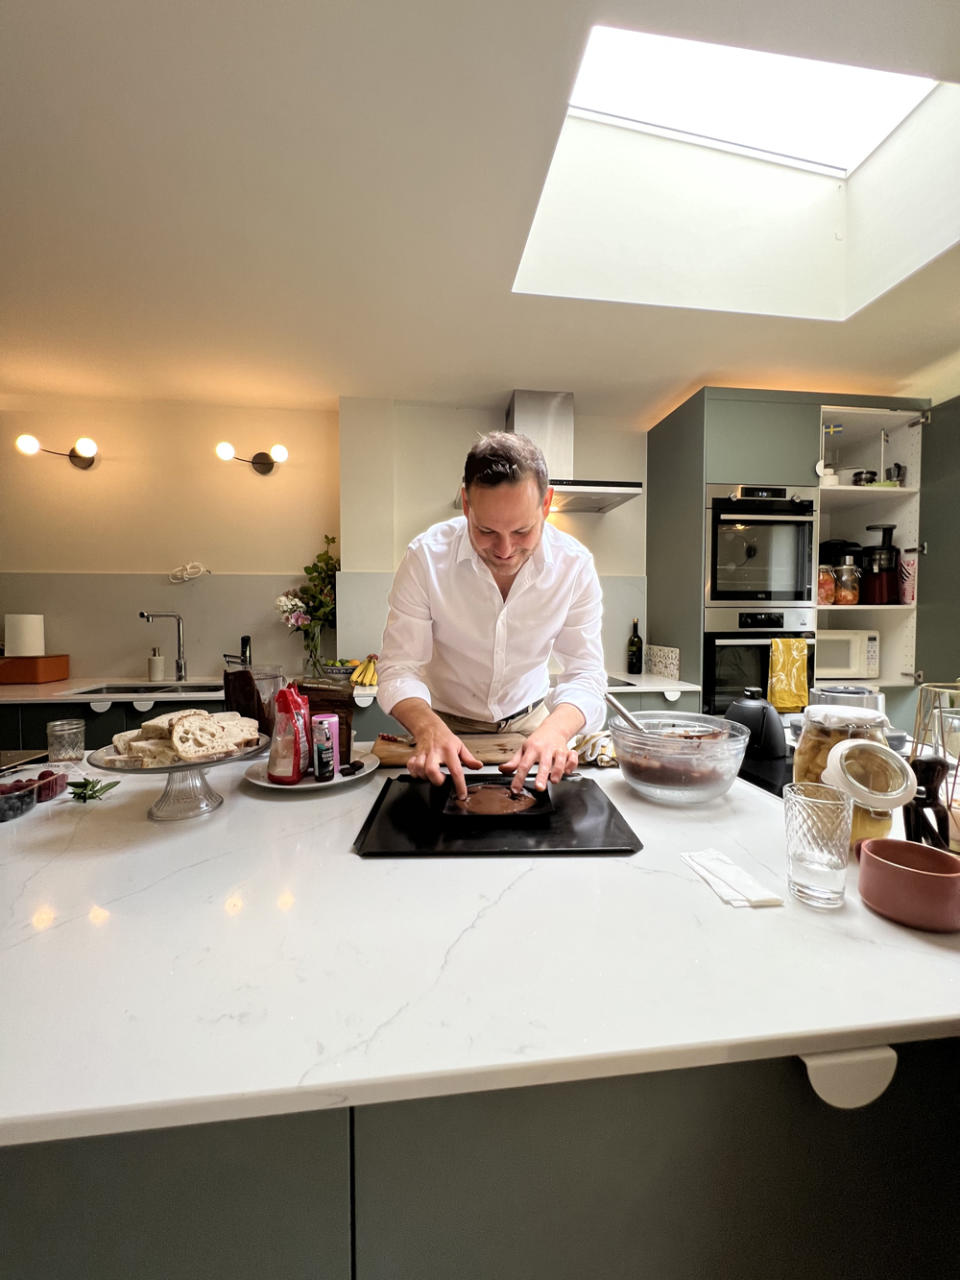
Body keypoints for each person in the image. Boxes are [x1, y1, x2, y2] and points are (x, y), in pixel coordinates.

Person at [376, 431, 606, 800]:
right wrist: (426, 727)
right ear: (466, 503)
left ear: (546, 504)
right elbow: (398, 668)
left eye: (522, 530)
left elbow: (587, 673)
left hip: (533, 725)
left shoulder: (574, 566)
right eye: (485, 530)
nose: (504, 549)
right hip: (443, 725)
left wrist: (557, 731)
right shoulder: (424, 558)